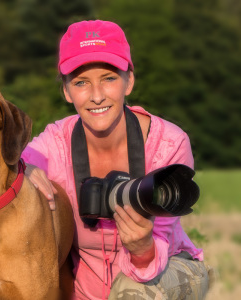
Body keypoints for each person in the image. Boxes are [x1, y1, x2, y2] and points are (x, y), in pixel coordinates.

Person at [21, 20, 210, 299]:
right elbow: (5, 166)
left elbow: (153, 258)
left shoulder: (169, 143)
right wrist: (24, 168)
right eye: (81, 82)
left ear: (129, 81)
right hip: (87, 287)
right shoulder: (55, 142)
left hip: (165, 271)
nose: (97, 96)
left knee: (131, 293)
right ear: (66, 91)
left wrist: (142, 248)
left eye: (109, 78)